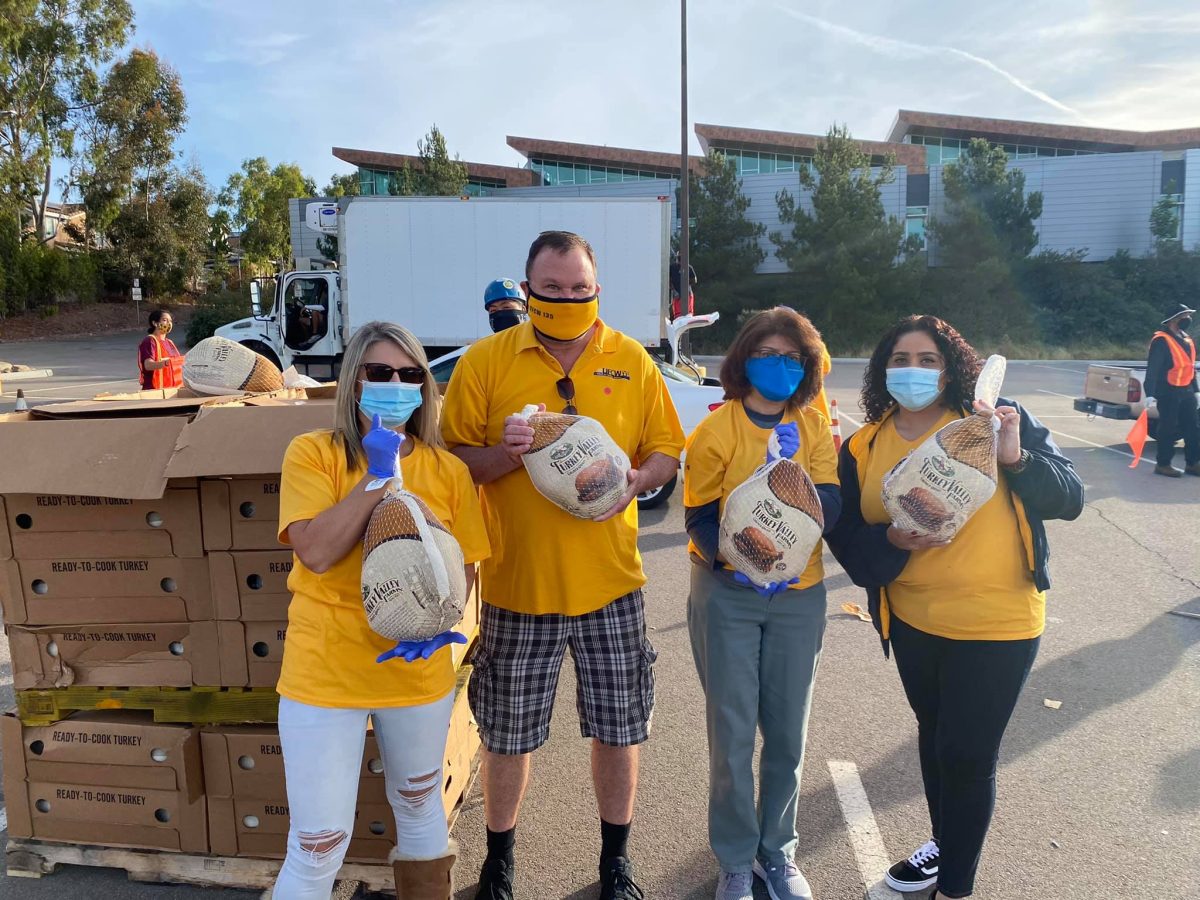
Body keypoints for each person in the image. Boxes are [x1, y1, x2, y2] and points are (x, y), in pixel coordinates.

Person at [441, 231, 685, 900]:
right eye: (554, 289)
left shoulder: (631, 360)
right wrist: (508, 452)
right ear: (528, 292)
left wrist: (638, 479)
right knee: (508, 738)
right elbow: (451, 462)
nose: (570, 299)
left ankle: (616, 864)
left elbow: (667, 449)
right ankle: (501, 861)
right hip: (519, 587)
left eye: (581, 288)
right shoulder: (487, 363)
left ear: (596, 287)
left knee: (618, 730)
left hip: (613, 585)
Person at [825, 315, 1084, 900]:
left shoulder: (989, 421)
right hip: (915, 622)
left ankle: (956, 888)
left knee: (967, 756)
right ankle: (947, 845)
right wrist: (891, 541)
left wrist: (1016, 459)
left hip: (998, 623)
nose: (912, 371)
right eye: (900, 359)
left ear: (951, 368)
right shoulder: (863, 445)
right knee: (936, 737)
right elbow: (847, 539)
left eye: (927, 360)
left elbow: (1069, 497)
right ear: (881, 369)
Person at [272, 321, 490, 900]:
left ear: (423, 387)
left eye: (409, 374)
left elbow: (464, 571)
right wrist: (376, 478)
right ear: (352, 381)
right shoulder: (314, 454)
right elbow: (315, 551)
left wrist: (440, 622)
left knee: (420, 811)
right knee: (318, 842)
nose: (395, 383)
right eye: (379, 373)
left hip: (414, 673)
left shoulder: (448, 471)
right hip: (325, 672)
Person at [682, 307, 840, 900]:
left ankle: (779, 853)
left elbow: (831, 502)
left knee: (787, 731)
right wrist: (738, 564)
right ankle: (734, 857)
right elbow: (698, 516)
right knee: (732, 730)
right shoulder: (715, 431)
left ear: (807, 369)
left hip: (798, 595)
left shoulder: (815, 426)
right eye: (768, 355)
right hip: (727, 594)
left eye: (793, 359)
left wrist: (794, 484)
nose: (780, 367)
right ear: (743, 360)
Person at [1145, 302, 1199, 477]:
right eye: (1184, 316)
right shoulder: (1161, 340)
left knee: (1192, 427)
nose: (1187, 319)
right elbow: (1153, 368)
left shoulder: (1186, 338)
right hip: (1168, 391)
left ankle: (1193, 463)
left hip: (1186, 390)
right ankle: (1163, 464)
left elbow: (1190, 366)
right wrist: (1150, 393)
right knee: (1167, 428)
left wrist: (1195, 390)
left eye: (1188, 316)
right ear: (1172, 320)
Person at [138, 309, 183, 390]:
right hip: (154, 389)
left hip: (171, 389)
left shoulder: (170, 342)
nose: (169, 323)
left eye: (170, 321)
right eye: (165, 320)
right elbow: (148, 365)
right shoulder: (150, 341)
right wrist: (167, 363)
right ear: (155, 323)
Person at [669, 251, 698, 320]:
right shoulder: (672, 267)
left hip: (687, 295)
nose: (680, 260)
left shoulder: (688, 267)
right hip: (677, 296)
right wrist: (674, 291)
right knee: (678, 317)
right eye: (679, 258)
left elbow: (694, 280)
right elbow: (668, 281)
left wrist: (686, 285)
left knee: (688, 316)